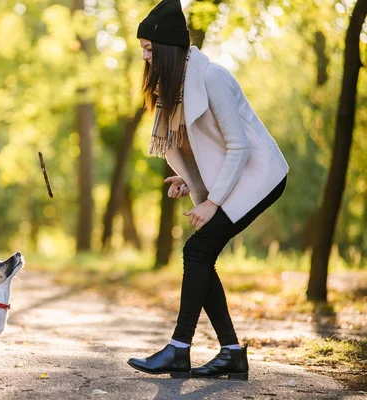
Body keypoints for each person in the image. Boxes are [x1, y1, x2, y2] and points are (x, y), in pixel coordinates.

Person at [126, 0, 289, 380]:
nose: (146, 59)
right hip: (236, 175)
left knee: (196, 250)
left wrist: (213, 201)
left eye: (149, 50)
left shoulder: (212, 77)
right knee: (201, 254)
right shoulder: (178, 87)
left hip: (261, 177)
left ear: (168, 48)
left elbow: (240, 146)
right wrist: (190, 178)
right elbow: (207, 147)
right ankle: (231, 353)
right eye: (143, 51)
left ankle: (179, 349)